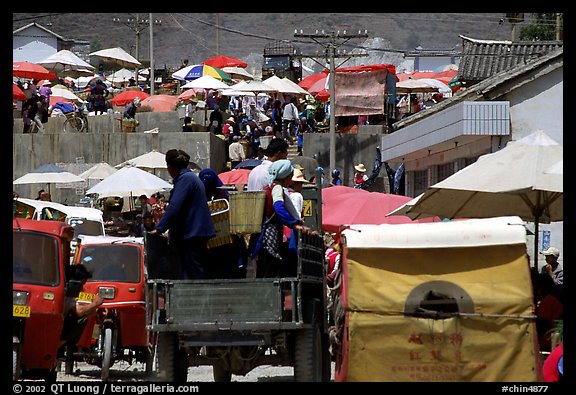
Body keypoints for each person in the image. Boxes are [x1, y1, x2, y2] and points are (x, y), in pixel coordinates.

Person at [150, 149, 216, 279]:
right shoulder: (190, 178)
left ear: (169, 167)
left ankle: (193, 298)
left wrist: (159, 228)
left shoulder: (185, 180)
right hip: (194, 233)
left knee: (191, 274)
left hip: (192, 235)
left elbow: (175, 206)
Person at [253, 159, 312, 278]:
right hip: (271, 232)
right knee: (272, 265)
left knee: (267, 266)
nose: (291, 178)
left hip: (267, 231)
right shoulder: (277, 188)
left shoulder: (271, 186)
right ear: (285, 176)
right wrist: (293, 224)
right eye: (290, 175)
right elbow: (279, 207)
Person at [59, 264, 104, 349]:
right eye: (81, 284)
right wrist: (95, 304)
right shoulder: (64, 293)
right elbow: (79, 311)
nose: (82, 288)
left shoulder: (67, 293)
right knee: (81, 319)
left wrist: (96, 311)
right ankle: (59, 345)